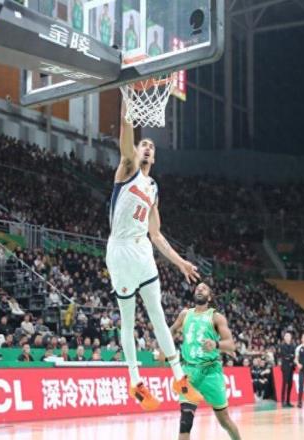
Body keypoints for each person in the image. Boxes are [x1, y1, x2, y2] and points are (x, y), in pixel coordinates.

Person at [105, 101, 201, 410]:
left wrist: (180, 262)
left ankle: (179, 379)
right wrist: (127, 101)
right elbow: (125, 129)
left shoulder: (154, 188)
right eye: (143, 144)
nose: (147, 148)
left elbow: (156, 234)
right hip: (120, 250)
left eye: (151, 147)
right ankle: (135, 382)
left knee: (157, 314)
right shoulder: (127, 168)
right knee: (128, 319)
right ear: (136, 150)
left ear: (155, 157)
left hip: (142, 250)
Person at [170, 283, 241, 440]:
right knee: (185, 423)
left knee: (225, 421)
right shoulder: (185, 315)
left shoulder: (216, 317)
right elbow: (171, 330)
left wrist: (216, 344)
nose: (200, 289)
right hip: (189, 373)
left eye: (204, 288)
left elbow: (231, 344)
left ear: (209, 297)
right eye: (197, 288)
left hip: (211, 373)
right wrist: (164, 348)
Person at [279, 332, 296, 407]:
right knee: (284, 383)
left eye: (289, 336)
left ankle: (288, 401)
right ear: (284, 338)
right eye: (286, 336)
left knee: (290, 384)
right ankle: (283, 401)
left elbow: (294, 355)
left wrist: (291, 356)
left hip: (291, 367)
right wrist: (291, 356)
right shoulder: (282, 346)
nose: (288, 337)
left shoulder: (293, 346)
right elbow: (285, 356)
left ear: (291, 337)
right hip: (285, 367)